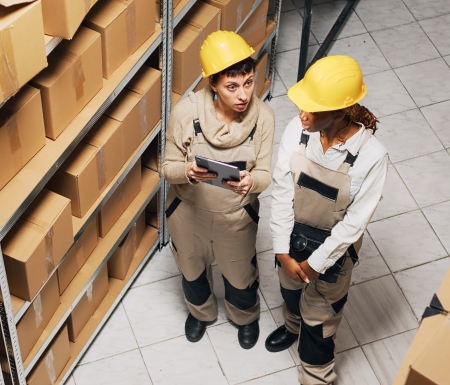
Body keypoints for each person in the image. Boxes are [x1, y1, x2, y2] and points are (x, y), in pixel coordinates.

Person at [266, 55, 388, 384]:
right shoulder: (298, 129)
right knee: (290, 291)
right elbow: (281, 191)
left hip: (333, 253)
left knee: (320, 323)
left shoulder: (371, 157)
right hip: (292, 239)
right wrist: (281, 250)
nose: (302, 114)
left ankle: (316, 376)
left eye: (312, 109)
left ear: (338, 112)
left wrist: (316, 263)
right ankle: (292, 327)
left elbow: (353, 225)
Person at [162, 30, 275, 349]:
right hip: (188, 213)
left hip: (235, 217)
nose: (244, 94)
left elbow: (265, 173)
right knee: (192, 270)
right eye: (232, 86)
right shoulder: (186, 112)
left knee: (240, 277)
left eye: (249, 82)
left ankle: (245, 317)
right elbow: (167, 168)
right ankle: (201, 314)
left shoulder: (263, 118)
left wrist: (253, 182)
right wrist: (186, 171)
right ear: (212, 83)